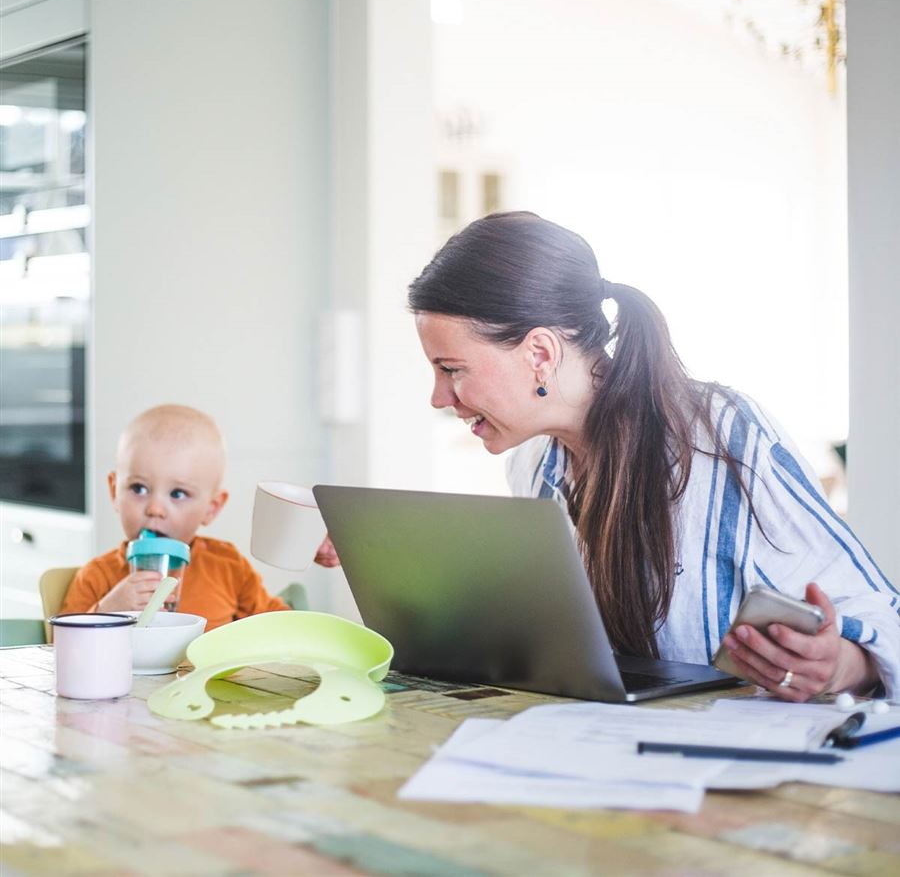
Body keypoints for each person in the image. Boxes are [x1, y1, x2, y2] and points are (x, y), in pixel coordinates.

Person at [408, 211, 899, 702]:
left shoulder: (722, 435)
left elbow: (883, 616)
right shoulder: (533, 462)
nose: (438, 397)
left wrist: (841, 668)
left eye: (451, 368)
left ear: (540, 353)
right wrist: (416, 573)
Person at [61, 404, 333, 630]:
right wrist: (106, 613)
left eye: (178, 494)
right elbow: (56, 650)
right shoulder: (96, 577)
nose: (155, 508)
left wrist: (308, 543)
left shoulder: (228, 568)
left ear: (211, 508)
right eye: (138, 489)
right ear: (113, 491)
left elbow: (280, 629)